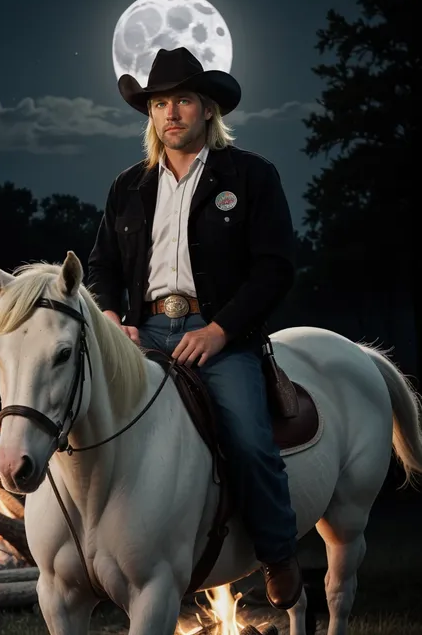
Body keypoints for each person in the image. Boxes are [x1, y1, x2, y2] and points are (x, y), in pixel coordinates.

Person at [87, 47, 302, 610]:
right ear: (151, 115)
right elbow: (102, 267)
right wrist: (113, 322)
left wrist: (221, 331)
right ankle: (93, 550)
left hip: (218, 333)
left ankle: (279, 554)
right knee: (83, 421)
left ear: (207, 109)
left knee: (251, 443)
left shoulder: (251, 176)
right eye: (160, 103)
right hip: (141, 333)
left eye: (183, 100)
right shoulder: (127, 186)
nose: (171, 113)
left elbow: (275, 267)